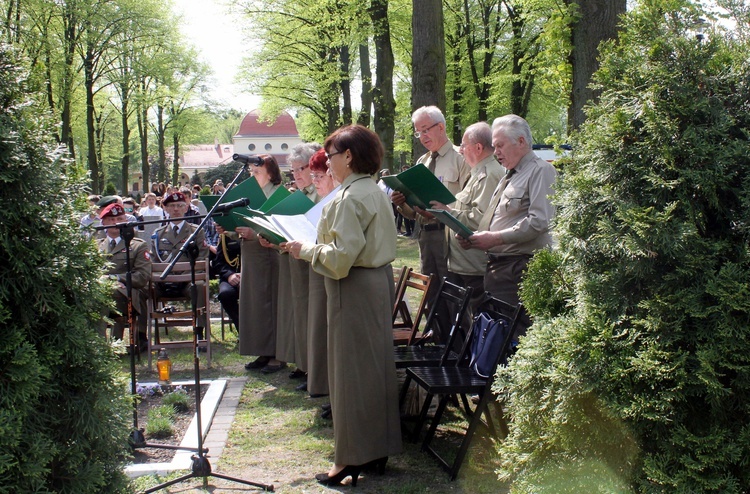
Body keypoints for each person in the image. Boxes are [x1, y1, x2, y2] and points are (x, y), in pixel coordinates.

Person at [284, 125, 402, 486]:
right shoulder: (372, 190)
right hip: (375, 282)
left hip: (353, 287)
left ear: (348, 156)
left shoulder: (348, 197)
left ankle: (350, 458)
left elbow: (340, 258)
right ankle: (376, 450)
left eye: (332, 156)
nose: (329, 163)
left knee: (350, 375)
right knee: (373, 370)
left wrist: (304, 250)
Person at [457, 114, 557, 338]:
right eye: (494, 146)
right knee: (497, 336)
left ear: (521, 141)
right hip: (497, 269)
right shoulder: (508, 176)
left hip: (519, 269)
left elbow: (540, 221)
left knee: (514, 336)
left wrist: (496, 239)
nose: (497, 152)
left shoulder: (541, 170)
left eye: (500, 145)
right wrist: (473, 238)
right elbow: (494, 219)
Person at [391, 106, 470, 339]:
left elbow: (469, 204)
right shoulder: (422, 162)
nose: (423, 137)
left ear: (441, 127)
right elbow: (414, 214)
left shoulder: (460, 158)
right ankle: (438, 338)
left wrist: (440, 213)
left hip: (449, 236)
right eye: (418, 133)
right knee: (432, 292)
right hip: (425, 236)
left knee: (453, 290)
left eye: (426, 130)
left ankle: (460, 344)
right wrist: (401, 203)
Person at [429, 122, 503, 338]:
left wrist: (447, 212)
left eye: (464, 145)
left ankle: (474, 369)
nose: (460, 150)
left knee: (477, 324)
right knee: (465, 322)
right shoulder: (478, 173)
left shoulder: (489, 174)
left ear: (478, 148)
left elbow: (479, 219)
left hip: (474, 264)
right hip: (463, 261)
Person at [235, 155, 285, 374]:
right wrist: (228, 229)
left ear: (271, 174)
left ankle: (278, 354)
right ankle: (262, 350)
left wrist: (254, 234)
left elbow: (279, 229)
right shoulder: (250, 194)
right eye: (251, 173)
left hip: (271, 255)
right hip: (252, 256)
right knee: (255, 304)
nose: (253, 176)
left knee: (272, 303)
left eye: (257, 172)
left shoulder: (279, 195)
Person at [278, 143, 321, 388]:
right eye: (292, 171)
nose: (295, 175)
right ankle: (305, 365)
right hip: (299, 261)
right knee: (302, 315)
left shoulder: (322, 194)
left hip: (317, 261)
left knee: (313, 318)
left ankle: (313, 371)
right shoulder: (300, 196)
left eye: (300, 169)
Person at [305, 149, 338, 400]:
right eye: (312, 176)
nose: (314, 181)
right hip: (321, 267)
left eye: (319, 176)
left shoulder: (338, 200)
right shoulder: (323, 200)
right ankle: (325, 387)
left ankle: (331, 390)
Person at [97, 203, 151, 352]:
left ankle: (102, 349)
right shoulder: (96, 247)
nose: (116, 223)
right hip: (100, 293)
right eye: (112, 219)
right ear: (103, 223)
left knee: (104, 295)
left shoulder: (137, 246)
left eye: (120, 218)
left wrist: (115, 279)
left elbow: (142, 276)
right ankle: (100, 345)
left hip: (128, 296)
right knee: (98, 297)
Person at [213, 225, 241, 328]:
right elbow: (218, 262)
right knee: (225, 294)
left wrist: (245, 274)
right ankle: (242, 328)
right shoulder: (225, 237)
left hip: (250, 275)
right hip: (230, 275)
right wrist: (229, 275)